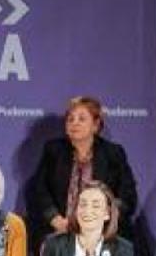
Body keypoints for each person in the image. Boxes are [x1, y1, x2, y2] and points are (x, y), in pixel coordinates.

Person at [30, 95, 138, 246]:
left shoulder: (113, 154)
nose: (75, 123)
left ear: (95, 125)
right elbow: (39, 190)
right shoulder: (54, 150)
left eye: (81, 119)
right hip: (60, 231)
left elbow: (127, 196)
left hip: (103, 235)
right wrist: (55, 220)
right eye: (70, 119)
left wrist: (103, 221)